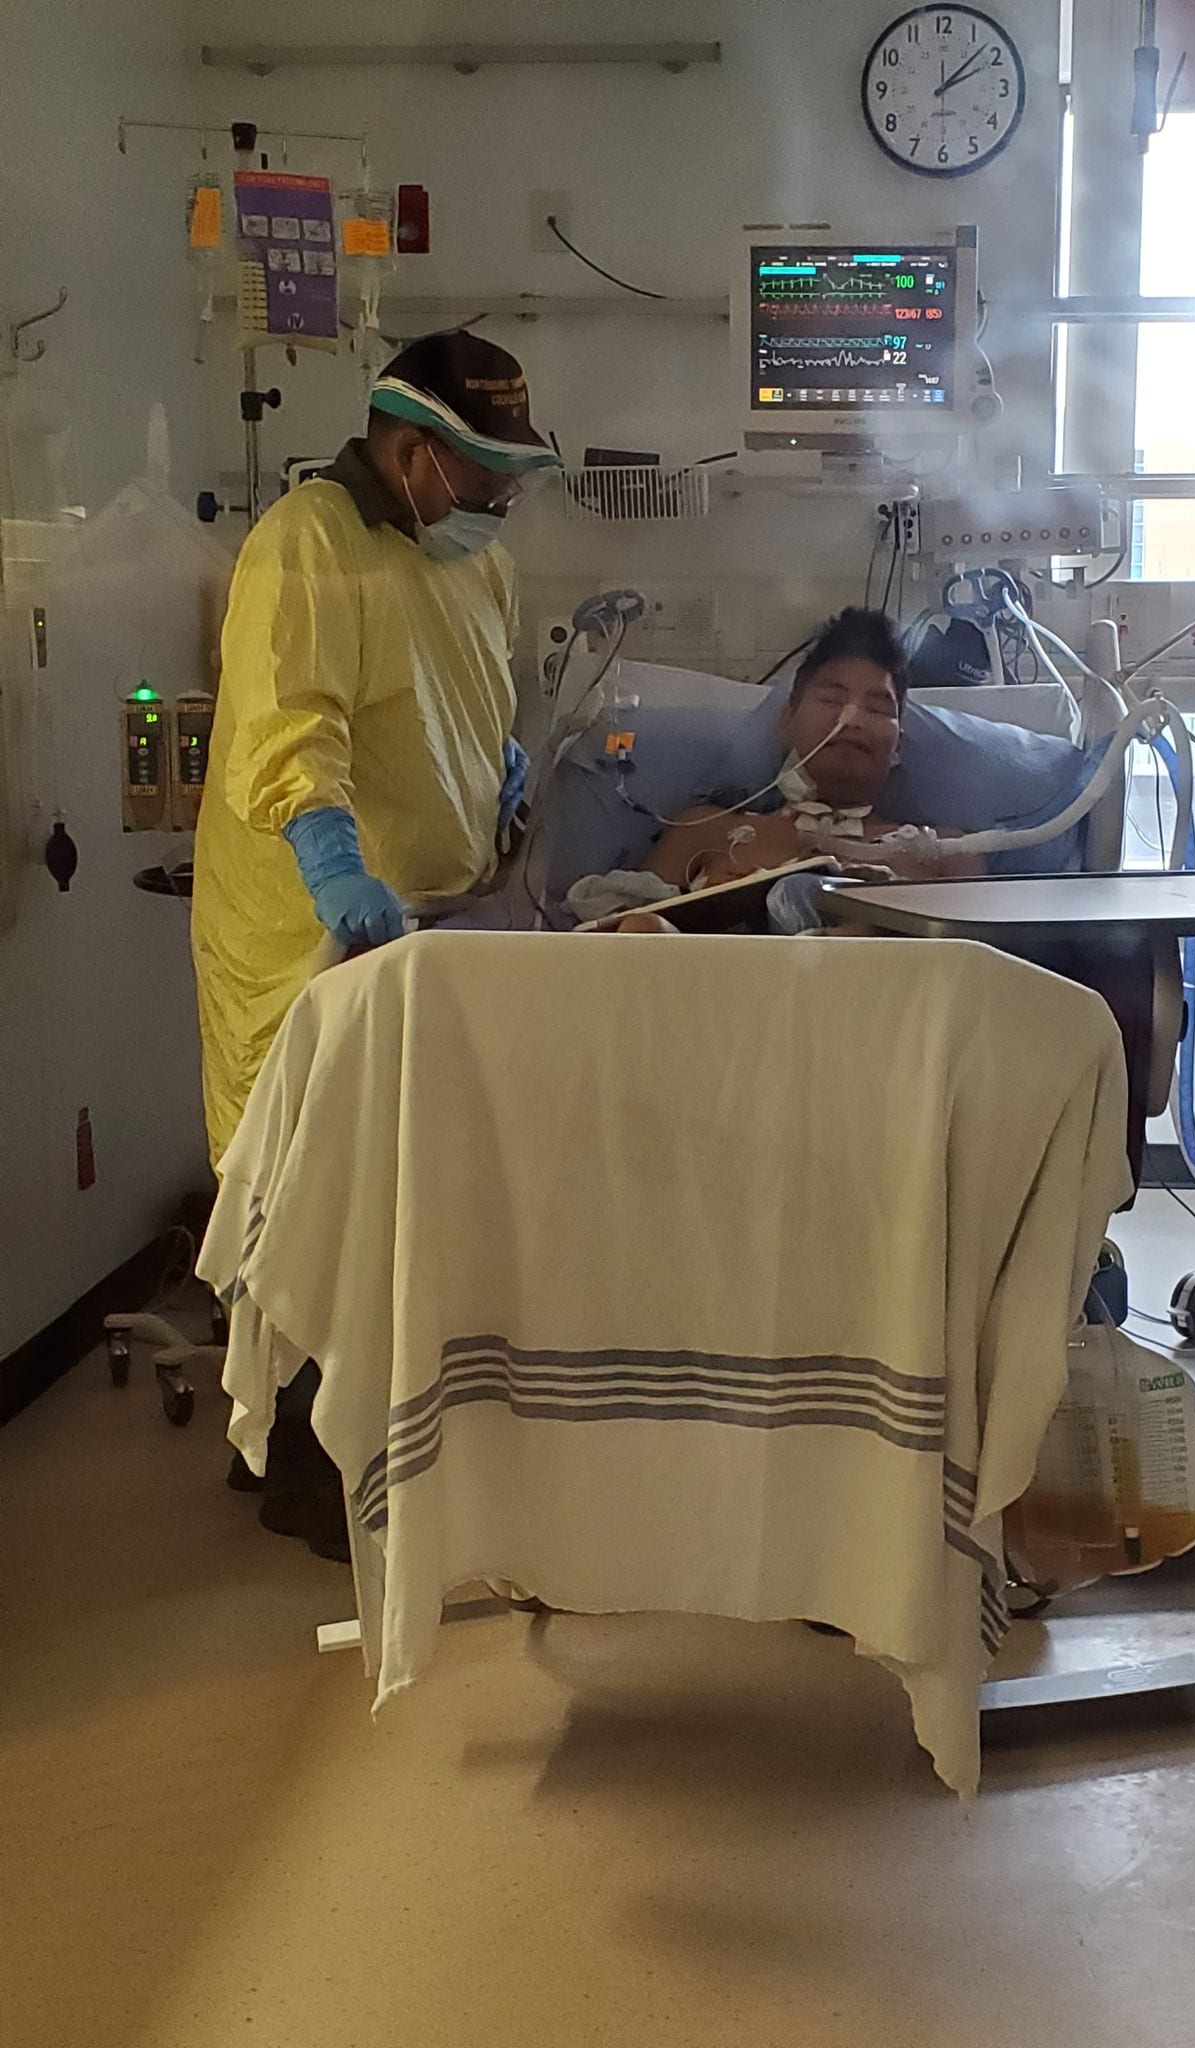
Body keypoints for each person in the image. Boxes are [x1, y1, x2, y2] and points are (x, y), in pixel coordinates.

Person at [192, 329, 559, 1556]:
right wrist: (336, 870)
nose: (501, 503)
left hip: (431, 931)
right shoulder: (309, 544)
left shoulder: (473, 561)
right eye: (485, 475)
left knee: (397, 1202)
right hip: (313, 930)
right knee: (308, 1198)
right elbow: (295, 732)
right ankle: (302, 1479)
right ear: (410, 454)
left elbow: (480, 696)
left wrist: (499, 774)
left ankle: (372, 1450)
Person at [642, 607, 976, 898]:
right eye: (831, 699)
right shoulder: (705, 831)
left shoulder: (946, 854)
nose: (852, 718)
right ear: (787, 723)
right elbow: (616, 937)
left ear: (897, 749)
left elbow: (985, 959)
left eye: (876, 708)